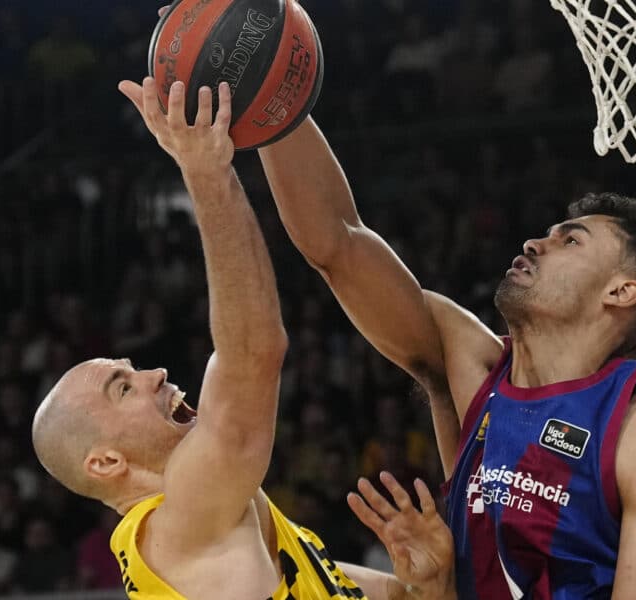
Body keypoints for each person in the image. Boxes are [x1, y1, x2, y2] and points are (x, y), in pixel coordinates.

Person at [32, 77, 454, 600]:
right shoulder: (175, 529)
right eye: (122, 388)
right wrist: (207, 174)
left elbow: (403, 596)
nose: (154, 373)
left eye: (132, 368)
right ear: (106, 463)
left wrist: (431, 584)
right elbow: (253, 357)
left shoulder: (247, 529)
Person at [257, 117, 636, 599]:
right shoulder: (470, 365)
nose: (536, 243)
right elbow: (337, 241)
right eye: (549, 233)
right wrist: (275, 104)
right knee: (258, 560)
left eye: (569, 241)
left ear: (621, 291)